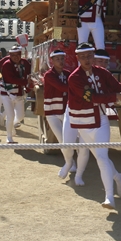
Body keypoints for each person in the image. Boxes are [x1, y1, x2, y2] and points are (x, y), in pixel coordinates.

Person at [68, 42, 121, 209]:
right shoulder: (74, 78)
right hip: (82, 123)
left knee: (102, 158)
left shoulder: (102, 72)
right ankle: (118, 177)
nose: (86, 59)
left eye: (89, 56)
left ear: (93, 56)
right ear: (77, 58)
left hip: (100, 121)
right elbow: (91, 98)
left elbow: (118, 88)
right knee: (101, 157)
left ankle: (109, 197)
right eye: (83, 57)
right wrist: (115, 97)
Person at [43, 49, 89, 184]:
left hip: (65, 112)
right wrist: (78, 88)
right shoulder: (49, 75)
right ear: (52, 61)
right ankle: (69, 163)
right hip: (51, 112)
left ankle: (73, 162)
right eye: (57, 59)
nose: (61, 61)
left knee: (70, 140)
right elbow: (62, 87)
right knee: (62, 141)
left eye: (62, 58)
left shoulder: (68, 74)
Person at [0, 46, 31, 143]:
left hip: (19, 93)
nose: (16, 57)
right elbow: (11, 79)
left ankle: (11, 124)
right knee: (10, 115)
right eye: (13, 55)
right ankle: (9, 137)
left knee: (20, 116)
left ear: (20, 54)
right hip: (6, 93)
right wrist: (26, 82)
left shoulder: (25, 63)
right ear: (10, 55)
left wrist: (30, 83)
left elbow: (30, 73)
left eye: (18, 55)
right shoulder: (7, 64)